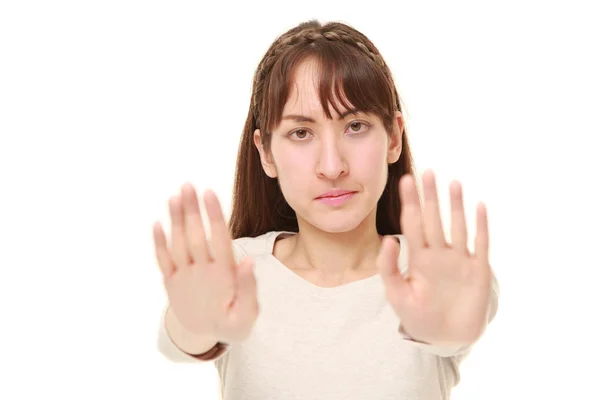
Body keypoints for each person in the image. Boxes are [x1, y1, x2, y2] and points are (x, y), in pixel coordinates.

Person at [153, 19, 499, 400]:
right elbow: (178, 340)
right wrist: (196, 327)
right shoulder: (236, 270)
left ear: (394, 137)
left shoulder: (435, 270)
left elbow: (459, 321)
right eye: (301, 133)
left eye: (355, 126)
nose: (332, 166)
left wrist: (447, 327)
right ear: (266, 152)